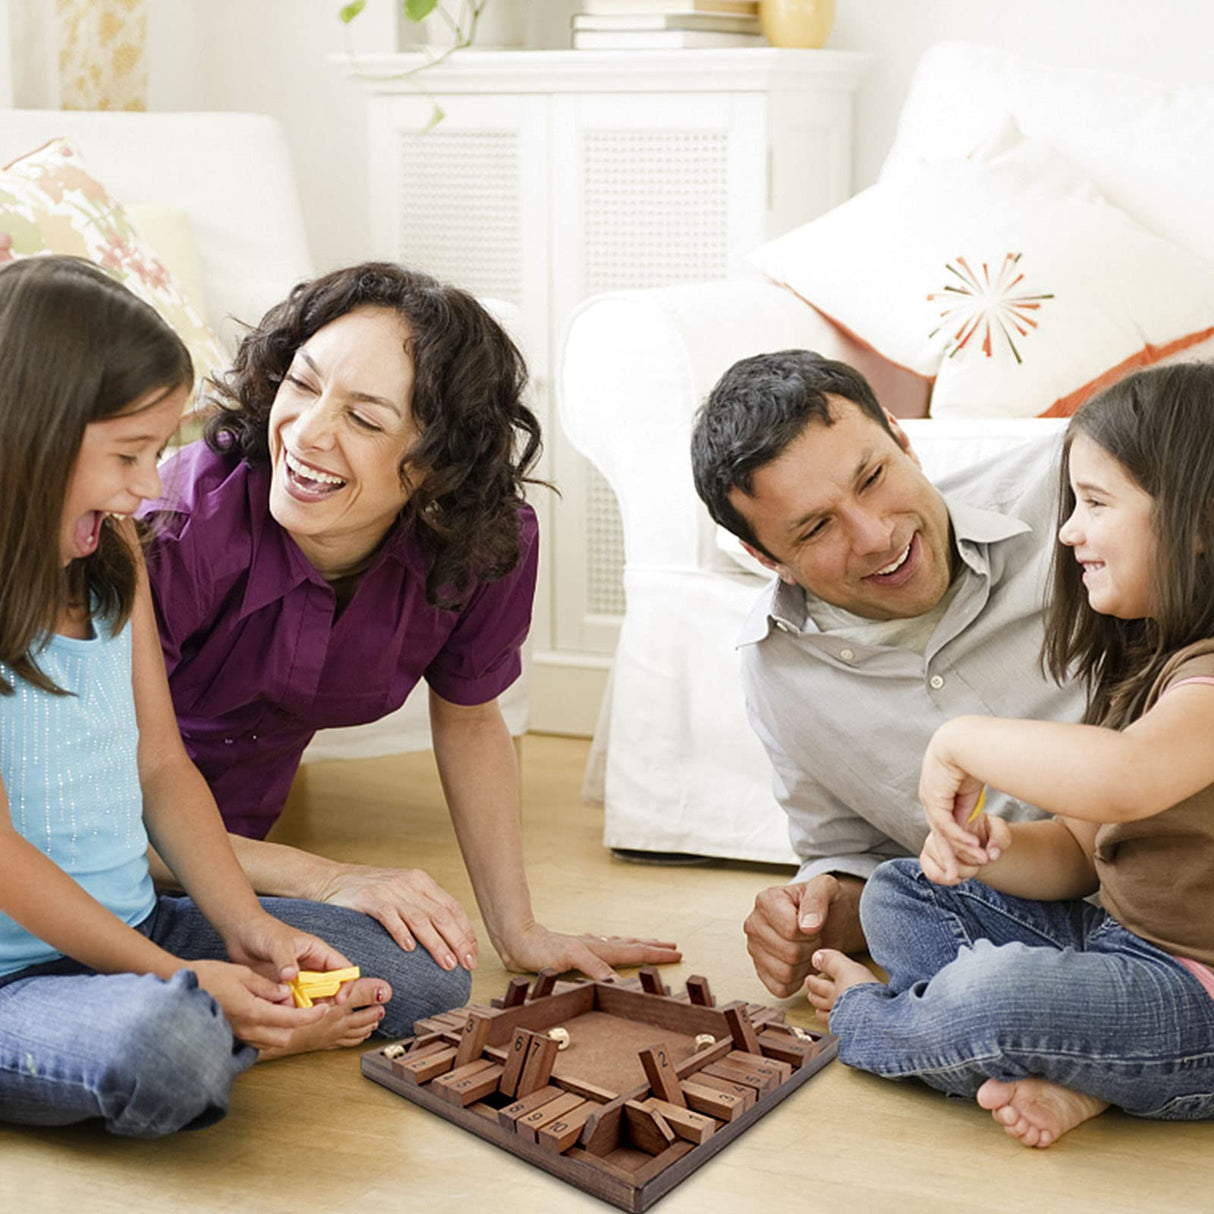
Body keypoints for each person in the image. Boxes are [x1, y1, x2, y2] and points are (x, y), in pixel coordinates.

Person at [0, 256, 470, 1138]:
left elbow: (162, 766)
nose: (149, 485)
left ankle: (235, 1022)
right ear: (34, 433)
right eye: (130, 454)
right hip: (15, 981)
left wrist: (244, 927)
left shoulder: (115, 553)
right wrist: (162, 977)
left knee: (422, 977)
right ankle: (231, 1030)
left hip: (140, 924)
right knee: (171, 1048)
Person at [142, 262, 679, 984]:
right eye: (300, 385)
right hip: (99, 846)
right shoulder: (175, 529)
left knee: (428, 979)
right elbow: (86, 801)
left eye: (364, 419)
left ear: (436, 466)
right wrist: (325, 879)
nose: (307, 433)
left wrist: (518, 931)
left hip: (228, 863)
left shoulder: (481, 544)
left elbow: (469, 719)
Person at [806, 363, 1214, 1147]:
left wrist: (961, 740)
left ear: (1198, 522)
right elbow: (1077, 856)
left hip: (1197, 1002)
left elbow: (1124, 780)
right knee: (900, 891)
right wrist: (993, 853)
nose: (1068, 531)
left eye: (1095, 504)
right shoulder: (1148, 667)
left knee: (996, 995)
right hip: (1119, 952)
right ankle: (1084, 1069)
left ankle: (879, 1025)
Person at [690, 350, 1084, 996]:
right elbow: (847, 851)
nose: (874, 536)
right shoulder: (778, 671)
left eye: (873, 477)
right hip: (1040, 933)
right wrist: (817, 912)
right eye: (816, 528)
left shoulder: (1071, 491)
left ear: (904, 440)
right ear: (767, 558)